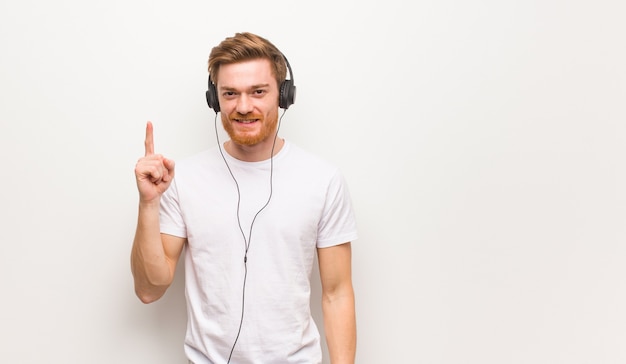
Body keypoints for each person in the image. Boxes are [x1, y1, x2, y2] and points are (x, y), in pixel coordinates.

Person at [131, 32, 357, 364]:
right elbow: (149, 290)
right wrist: (148, 203)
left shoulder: (323, 180)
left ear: (282, 95)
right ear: (214, 99)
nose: (244, 106)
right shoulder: (183, 180)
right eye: (230, 93)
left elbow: (337, 295)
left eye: (258, 92)